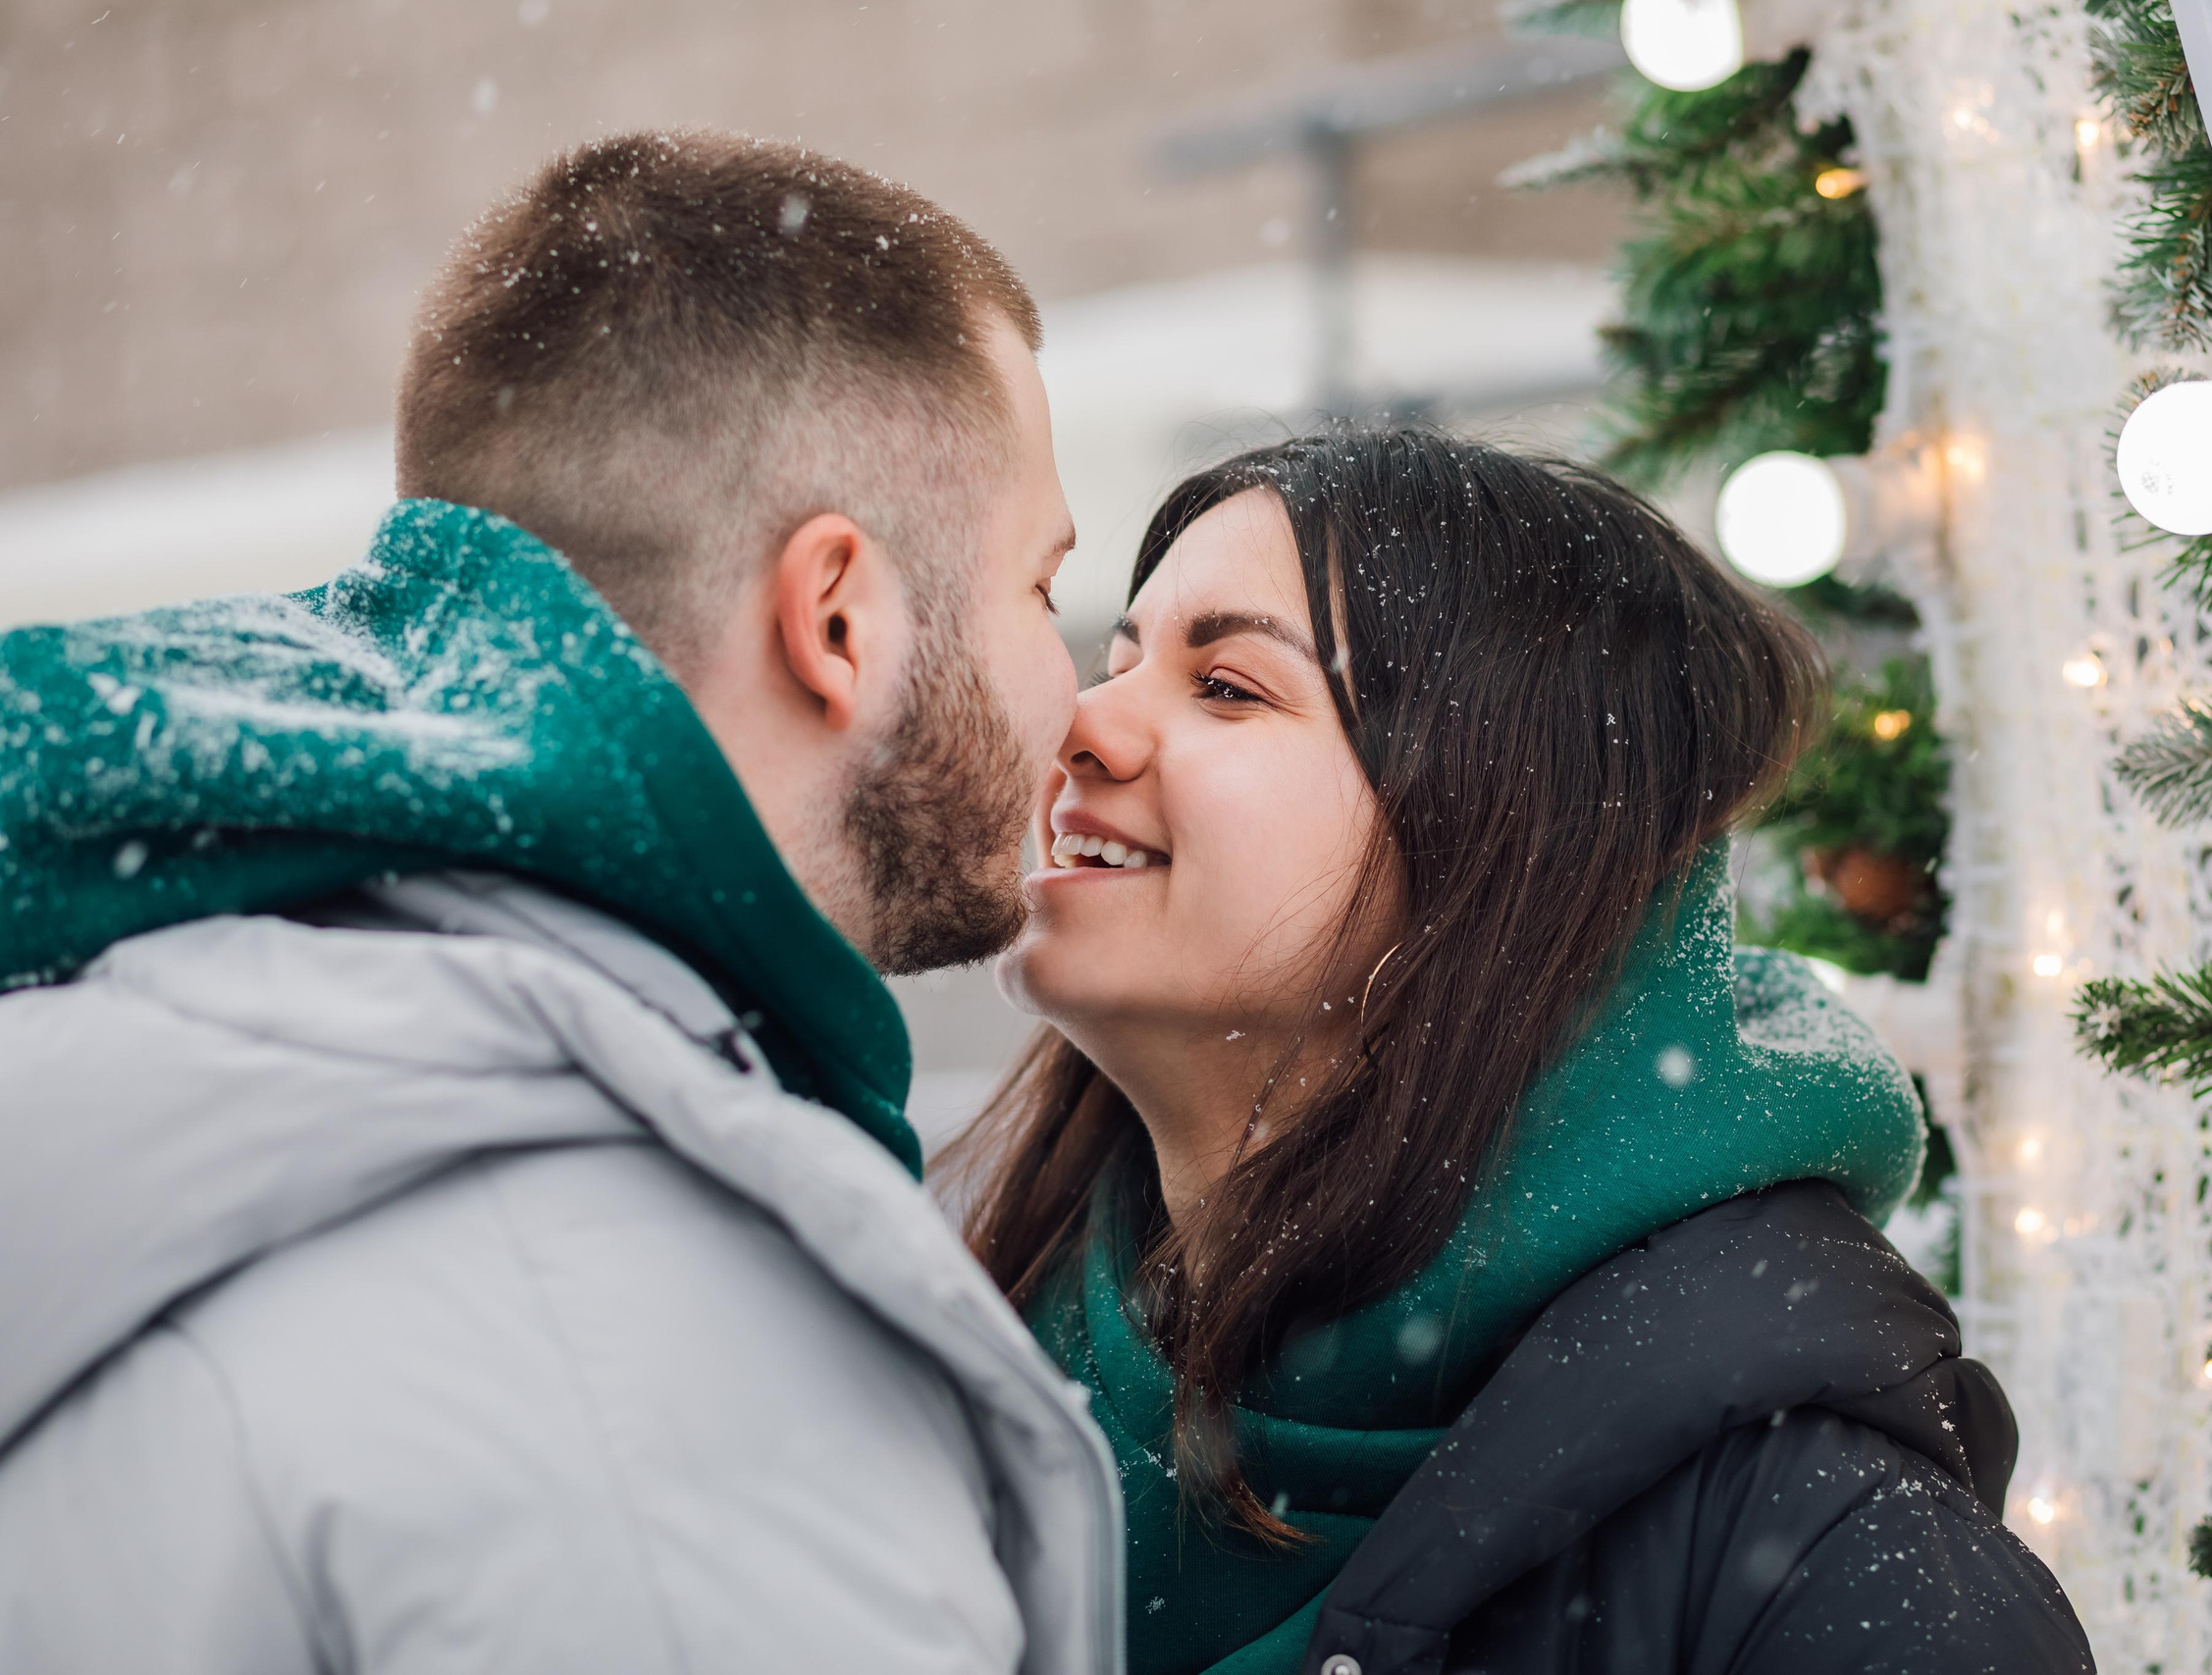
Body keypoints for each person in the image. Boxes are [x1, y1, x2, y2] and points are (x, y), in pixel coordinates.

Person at [0, 131, 1124, 1674]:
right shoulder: (668, 1381)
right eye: (1041, 585)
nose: (1077, 699)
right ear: (839, 616)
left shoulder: (219, 1013)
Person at [942, 428, 2097, 1675]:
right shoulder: (942, 1390)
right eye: (1118, 661)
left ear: (1505, 848)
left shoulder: (1834, 1572)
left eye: (1227, 685)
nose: (1080, 723)